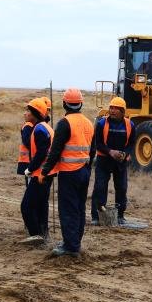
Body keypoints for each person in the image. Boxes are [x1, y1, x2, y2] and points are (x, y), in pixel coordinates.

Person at [39, 88, 95, 257]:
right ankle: (74, 241)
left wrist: (45, 171)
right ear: (81, 103)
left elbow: (55, 151)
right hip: (84, 171)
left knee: (68, 209)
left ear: (64, 103)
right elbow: (92, 150)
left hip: (69, 173)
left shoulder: (65, 123)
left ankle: (70, 247)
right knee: (78, 208)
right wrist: (88, 166)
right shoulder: (88, 122)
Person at [91, 97, 134, 226]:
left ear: (123, 111)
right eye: (111, 108)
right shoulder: (101, 124)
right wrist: (110, 152)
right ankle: (96, 216)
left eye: (116, 108)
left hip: (120, 162)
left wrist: (124, 153)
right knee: (100, 187)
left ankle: (120, 216)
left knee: (121, 188)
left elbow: (131, 143)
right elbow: (97, 144)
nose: (112, 110)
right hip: (104, 160)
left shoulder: (130, 125)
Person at [19, 98, 53, 245]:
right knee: (41, 204)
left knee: (26, 206)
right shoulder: (45, 127)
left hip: (40, 174)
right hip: (46, 173)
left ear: (35, 113)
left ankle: (36, 235)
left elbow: (41, 153)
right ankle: (43, 234)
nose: (25, 113)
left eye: (28, 111)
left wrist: (30, 169)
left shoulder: (39, 129)